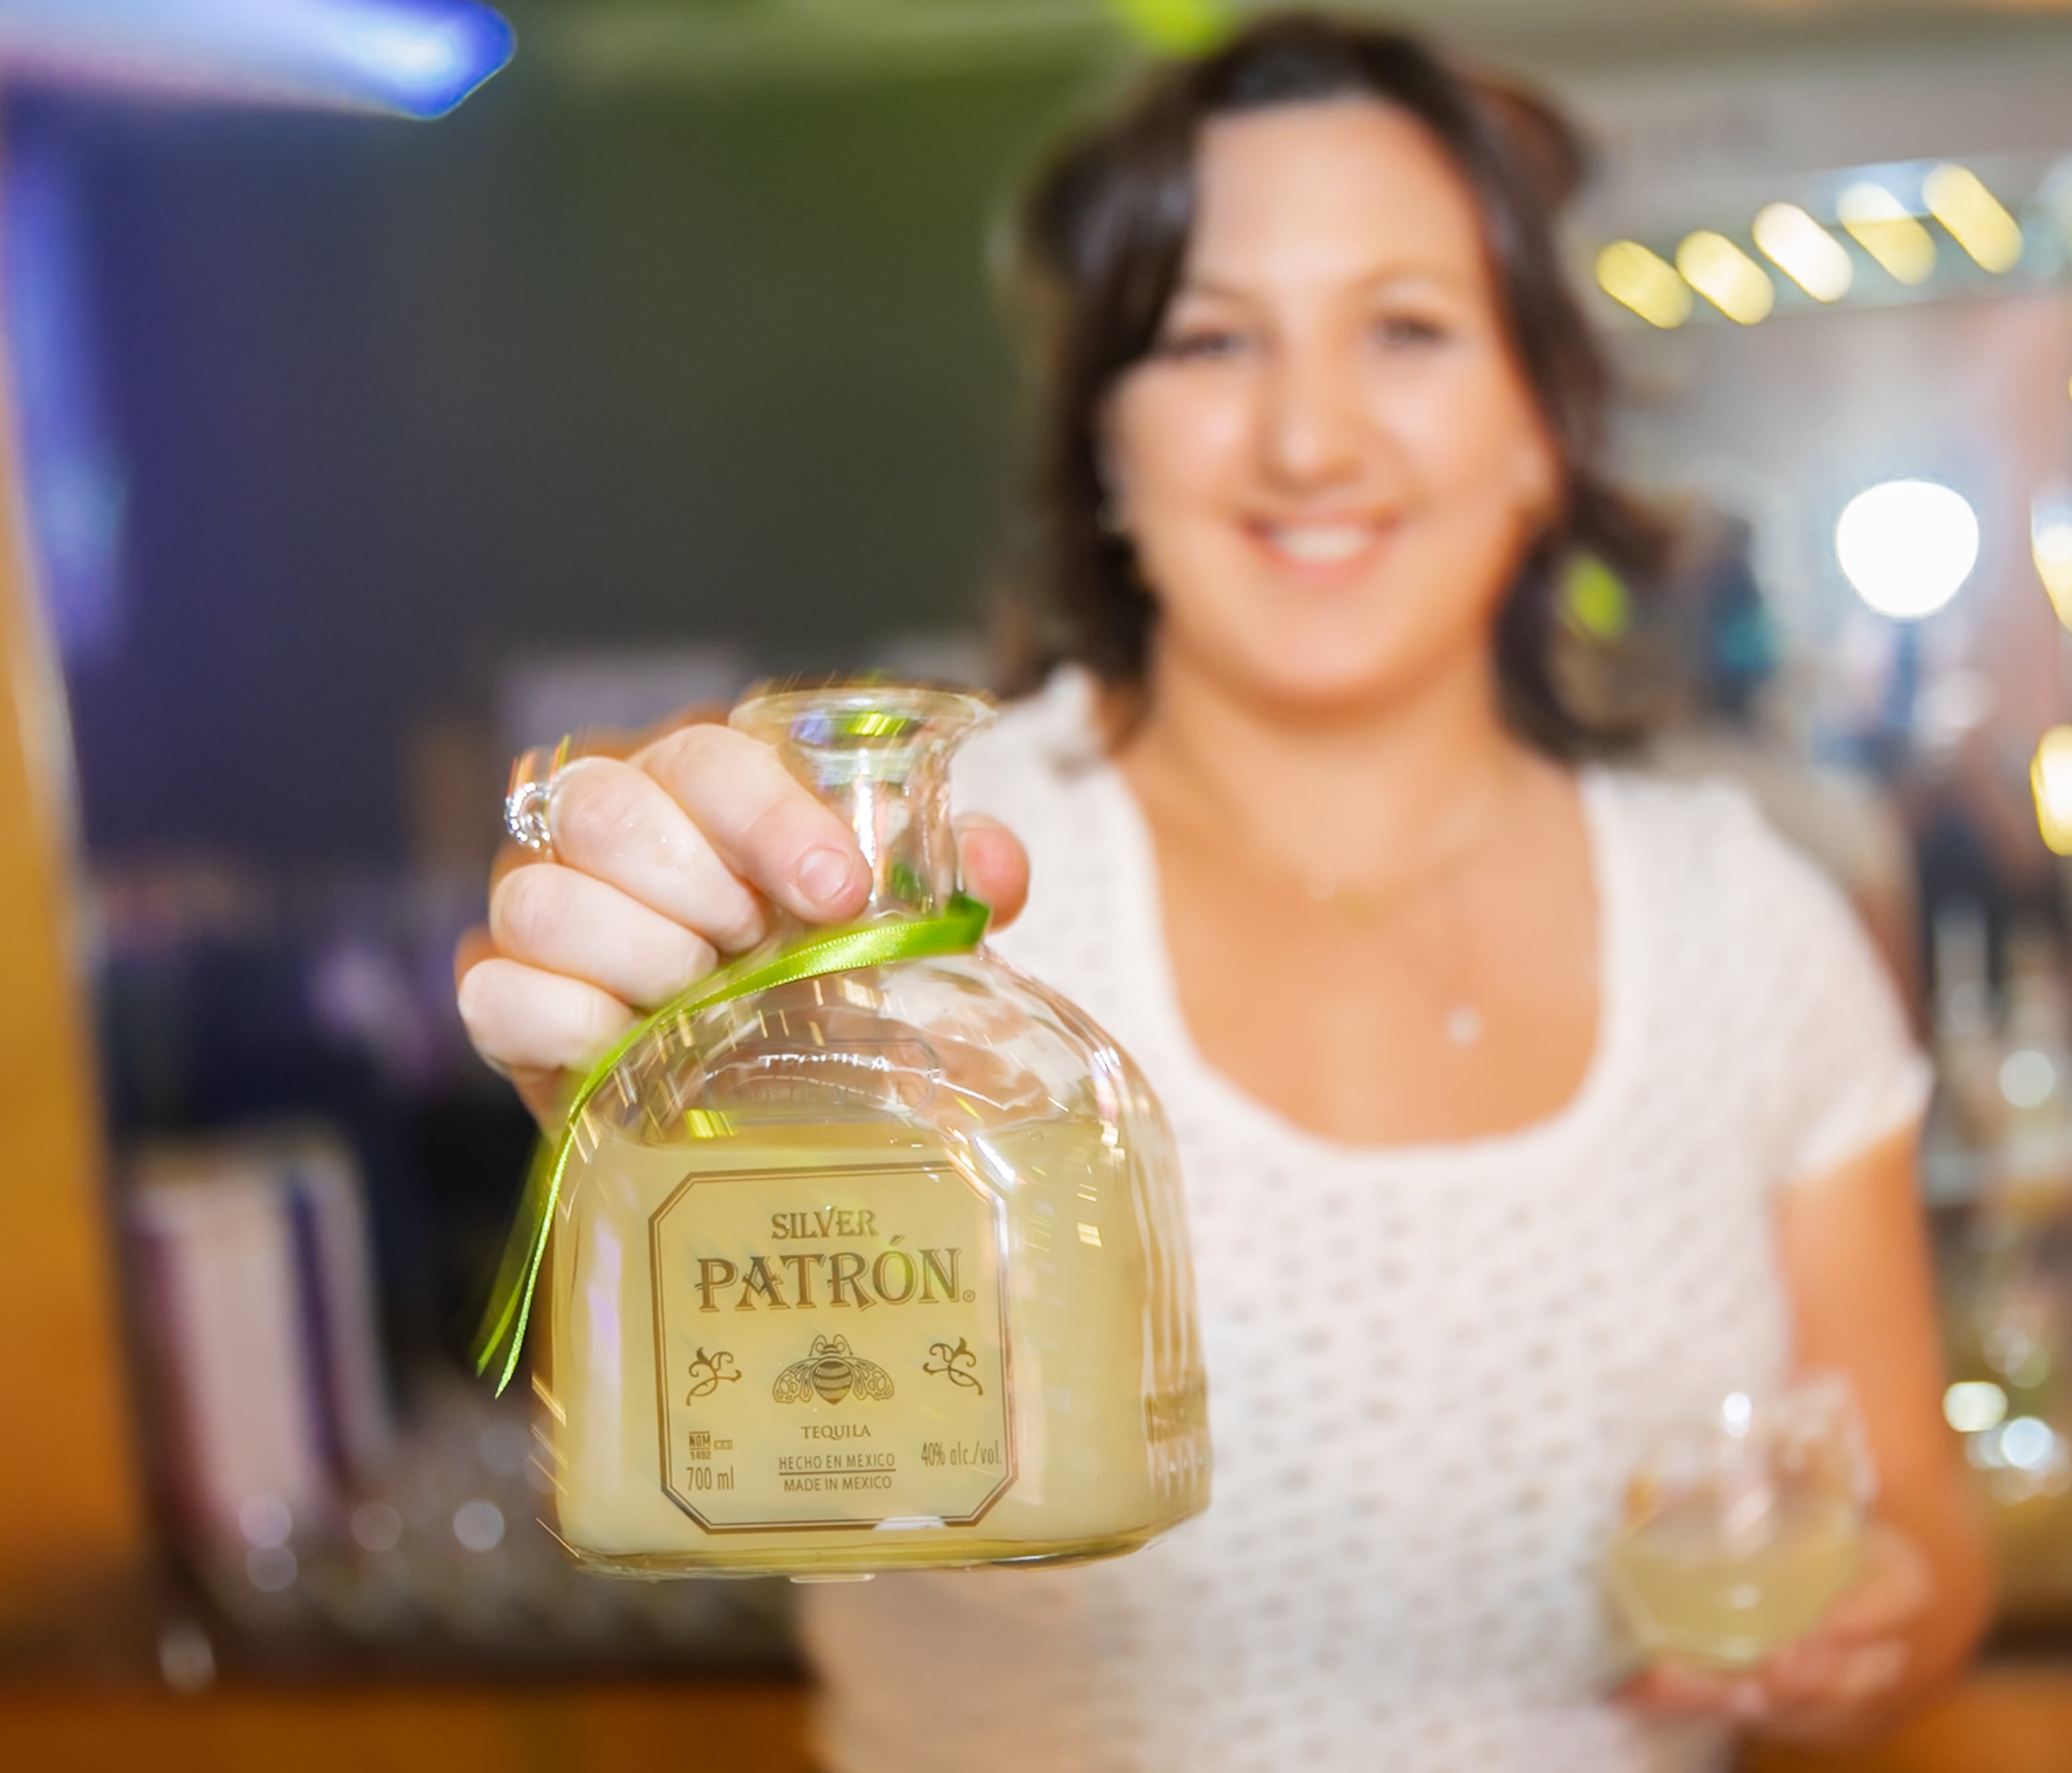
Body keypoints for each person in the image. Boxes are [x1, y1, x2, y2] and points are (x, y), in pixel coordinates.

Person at [455, 15, 1990, 1769]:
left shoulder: (1751, 934)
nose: (1309, 437)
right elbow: (683, 1023)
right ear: (1105, 448)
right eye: (1210, 340)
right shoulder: (906, 899)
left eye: (1405, 329)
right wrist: (644, 980)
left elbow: (1923, 1535)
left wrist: (1870, 1617)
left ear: (1538, 422)